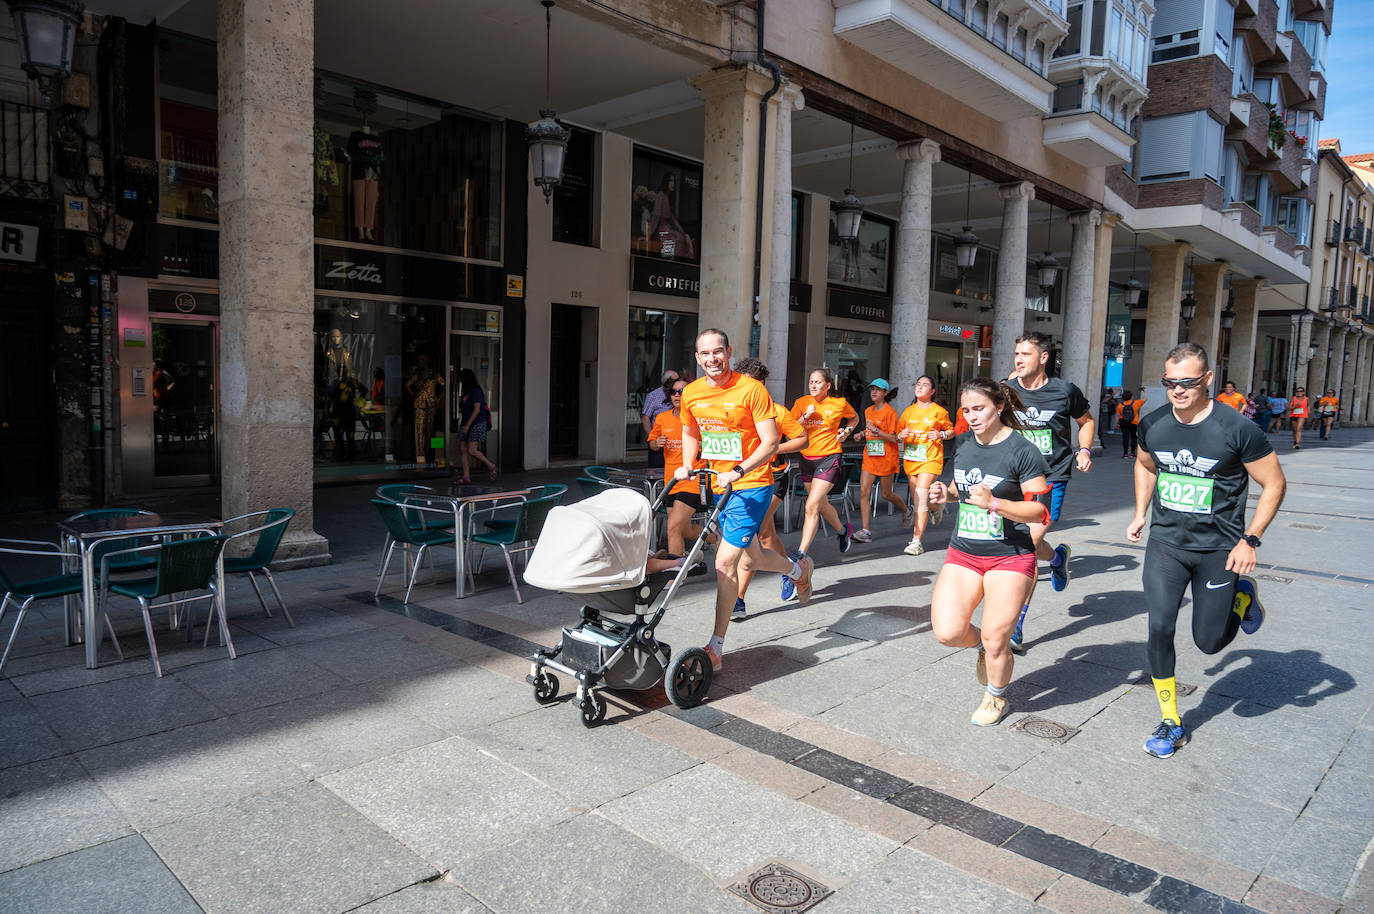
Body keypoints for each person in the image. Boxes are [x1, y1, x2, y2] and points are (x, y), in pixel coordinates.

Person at [1127, 342, 1286, 759]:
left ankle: (1241, 597)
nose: (1178, 390)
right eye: (1170, 383)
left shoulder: (1237, 428)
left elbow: (1274, 483)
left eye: (1188, 383)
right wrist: (1141, 511)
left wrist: (1250, 538)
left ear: (1208, 379)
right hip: (1166, 544)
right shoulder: (1154, 423)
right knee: (1159, 627)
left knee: (1210, 643)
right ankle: (1171, 720)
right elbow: (1144, 465)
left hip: (1219, 548)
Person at [677, 329, 813, 671]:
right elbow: (691, 430)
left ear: (729, 352)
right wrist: (686, 464)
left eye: (718, 351)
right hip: (718, 486)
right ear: (697, 357)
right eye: (705, 353)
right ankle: (798, 570)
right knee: (752, 559)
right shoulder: (692, 393)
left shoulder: (751, 390)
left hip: (751, 485)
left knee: (725, 564)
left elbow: (769, 443)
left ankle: (715, 647)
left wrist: (739, 469)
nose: (712, 358)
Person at [928, 378, 1051, 726]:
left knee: (998, 639)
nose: (972, 416)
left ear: (998, 407)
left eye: (979, 409)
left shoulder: (1021, 450)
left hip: (1010, 554)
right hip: (964, 551)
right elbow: (962, 488)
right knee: (948, 632)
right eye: (966, 410)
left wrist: (996, 503)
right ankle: (983, 646)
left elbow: (1039, 511)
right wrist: (945, 493)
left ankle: (996, 696)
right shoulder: (964, 444)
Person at [1005, 332, 1094, 653]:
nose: (1018, 359)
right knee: (1030, 543)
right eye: (1016, 353)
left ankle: (1015, 624)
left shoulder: (1064, 391)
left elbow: (1086, 421)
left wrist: (1084, 450)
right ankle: (1058, 558)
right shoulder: (1007, 390)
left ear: (1043, 358)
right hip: (1014, 479)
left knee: (1027, 545)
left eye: (1025, 354)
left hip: (1050, 477)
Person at [734, 357, 809, 620]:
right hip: (743, 481)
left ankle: (738, 600)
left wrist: (773, 448)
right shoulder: (735, 410)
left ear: (762, 385)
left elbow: (802, 439)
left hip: (774, 478)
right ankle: (793, 569)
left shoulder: (777, 411)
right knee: (765, 536)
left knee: (753, 533)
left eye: (751, 384)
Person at [790, 368, 860, 563]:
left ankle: (801, 553)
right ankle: (843, 530)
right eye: (811, 382)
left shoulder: (839, 403)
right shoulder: (801, 403)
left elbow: (854, 418)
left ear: (828, 385)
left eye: (818, 382)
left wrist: (846, 431)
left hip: (829, 457)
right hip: (806, 459)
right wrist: (805, 416)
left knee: (811, 505)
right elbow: (790, 429)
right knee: (821, 504)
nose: (813, 385)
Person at [647, 379, 708, 558]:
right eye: (673, 392)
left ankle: (674, 573)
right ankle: (713, 538)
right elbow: (652, 443)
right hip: (671, 480)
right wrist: (656, 443)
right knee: (684, 529)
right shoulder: (662, 418)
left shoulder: (699, 420)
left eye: (681, 391)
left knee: (673, 527)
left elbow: (712, 443)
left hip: (692, 480)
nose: (676, 395)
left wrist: (699, 443)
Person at [897, 376, 954, 556]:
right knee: (919, 499)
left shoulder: (939, 411)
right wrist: (902, 435)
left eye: (925, 385)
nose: (920, 387)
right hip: (911, 459)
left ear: (932, 391)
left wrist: (941, 435)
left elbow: (951, 431)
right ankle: (937, 508)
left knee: (921, 495)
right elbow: (898, 435)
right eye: (918, 384)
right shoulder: (908, 412)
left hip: (931, 458)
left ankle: (916, 541)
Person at [854, 379, 908, 543]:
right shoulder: (868, 410)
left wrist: (876, 430)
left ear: (885, 393)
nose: (874, 393)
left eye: (878, 390)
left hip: (886, 458)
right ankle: (865, 531)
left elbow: (894, 438)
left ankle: (906, 510)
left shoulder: (890, 413)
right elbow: (869, 428)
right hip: (870, 457)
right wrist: (862, 434)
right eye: (872, 390)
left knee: (886, 494)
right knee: (864, 492)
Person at [456, 368, 497, 483]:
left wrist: (468, 425)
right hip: (466, 423)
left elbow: (477, 409)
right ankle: (466, 477)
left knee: (472, 450)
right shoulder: (466, 391)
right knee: (463, 449)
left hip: (476, 423)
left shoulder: (476, 391)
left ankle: (491, 466)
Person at [648, 173, 695, 260]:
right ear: (666, 182)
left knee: (681, 237)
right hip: (662, 228)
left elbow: (672, 218)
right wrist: (649, 233)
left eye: (673, 181)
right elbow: (656, 216)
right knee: (676, 239)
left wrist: (684, 233)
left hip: (668, 227)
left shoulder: (667, 197)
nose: (673, 184)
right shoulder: (661, 195)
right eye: (671, 181)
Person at [641, 369, 680, 471]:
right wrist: (652, 438)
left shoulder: (681, 396)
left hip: (676, 441)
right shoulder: (654, 396)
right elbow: (645, 417)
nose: (677, 382)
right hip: (659, 439)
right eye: (674, 380)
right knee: (656, 470)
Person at [1118, 387, 1146, 458]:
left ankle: (1125, 454)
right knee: (1133, 438)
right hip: (1134, 422)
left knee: (1125, 438)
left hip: (1123, 422)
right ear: (1131, 397)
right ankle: (1132, 453)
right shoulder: (1136, 403)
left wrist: (1117, 423)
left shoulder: (1120, 405)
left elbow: (1118, 415)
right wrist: (1145, 391)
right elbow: (1145, 399)